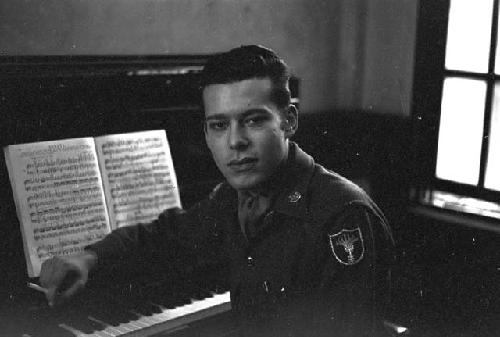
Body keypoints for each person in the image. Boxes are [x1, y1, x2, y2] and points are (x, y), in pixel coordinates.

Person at [39, 45, 395, 337]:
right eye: (219, 125)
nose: (235, 142)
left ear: (289, 121)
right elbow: (165, 235)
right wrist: (90, 258)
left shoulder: (341, 216)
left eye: (253, 120)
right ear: (207, 133)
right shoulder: (235, 197)